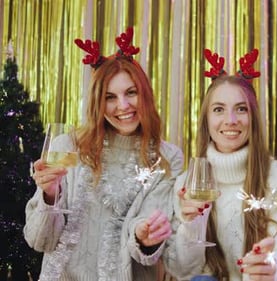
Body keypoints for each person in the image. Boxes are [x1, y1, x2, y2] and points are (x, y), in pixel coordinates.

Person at [24, 27, 187, 280]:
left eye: (130, 92)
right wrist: (50, 194)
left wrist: (144, 235)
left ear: (144, 93)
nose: (123, 106)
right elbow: (39, 240)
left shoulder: (166, 156)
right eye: (110, 97)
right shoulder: (67, 146)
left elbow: (151, 245)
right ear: (97, 102)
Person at [168, 49, 277, 281]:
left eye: (241, 109)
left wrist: (271, 267)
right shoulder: (186, 184)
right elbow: (182, 271)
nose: (230, 120)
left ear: (253, 118)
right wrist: (192, 226)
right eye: (219, 109)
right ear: (206, 120)